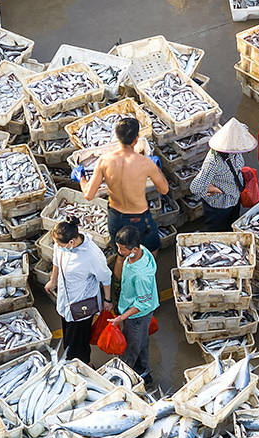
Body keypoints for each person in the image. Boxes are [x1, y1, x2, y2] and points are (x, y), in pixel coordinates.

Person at [78, 117, 169, 252]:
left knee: (122, 255)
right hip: (139, 218)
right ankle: (148, 272)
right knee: (151, 249)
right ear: (136, 139)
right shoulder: (145, 163)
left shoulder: (104, 160)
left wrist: (82, 178)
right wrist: (157, 169)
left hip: (116, 217)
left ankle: (120, 274)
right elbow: (164, 189)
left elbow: (89, 195)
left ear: (117, 136)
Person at [44, 217, 112, 364]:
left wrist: (107, 300)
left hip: (82, 305)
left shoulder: (92, 255)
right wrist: (53, 280)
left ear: (72, 242)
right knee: (68, 336)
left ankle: (84, 365)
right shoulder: (61, 244)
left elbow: (105, 277)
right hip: (65, 301)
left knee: (79, 342)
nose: (56, 246)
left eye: (59, 244)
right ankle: (70, 359)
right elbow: (57, 261)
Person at [189, 119, 257, 231]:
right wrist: (216, 190)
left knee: (232, 225)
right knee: (217, 230)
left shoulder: (236, 150)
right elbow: (195, 187)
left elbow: (242, 128)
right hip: (220, 205)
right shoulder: (213, 162)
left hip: (235, 198)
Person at [111, 226, 158, 386]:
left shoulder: (141, 275)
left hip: (137, 315)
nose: (119, 251)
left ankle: (126, 377)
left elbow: (142, 302)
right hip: (134, 305)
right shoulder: (142, 251)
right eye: (118, 247)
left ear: (135, 249)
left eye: (123, 249)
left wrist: (122, 317)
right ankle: (144, 372)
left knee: (132, 346)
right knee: (141, 341)